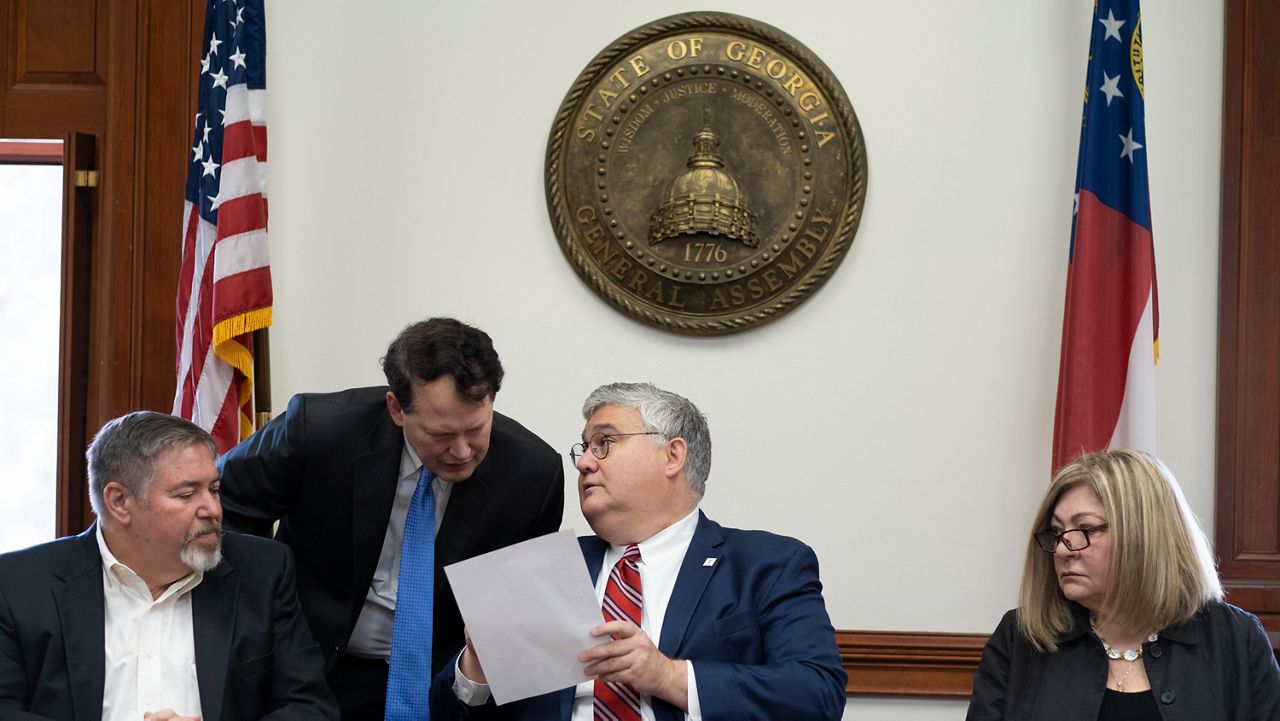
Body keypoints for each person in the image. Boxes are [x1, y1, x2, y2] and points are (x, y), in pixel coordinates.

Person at [431, 382, 847, 721]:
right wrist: (477, 669)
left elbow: (817, 694)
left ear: (673, 455)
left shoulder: (766, 564)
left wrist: (667, 676)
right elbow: (446, 714)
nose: (584, 463)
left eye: (605, 442)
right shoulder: (543, 568)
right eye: (585, 447)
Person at [217, 317, 565, 719]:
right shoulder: (319, 430)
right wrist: (264, 613)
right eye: (440, 434)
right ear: (396, 408)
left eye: (475, 429)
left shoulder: (532, 474)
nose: (463, 451)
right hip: (311, 670)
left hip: (445, 684)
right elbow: (222, 509)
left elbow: (523, 612)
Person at [0, 411, 338, 720]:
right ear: (119, 502)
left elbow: (310, 706)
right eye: (186, 494)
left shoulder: (262, 572)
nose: (213, 510)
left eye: (214, 489)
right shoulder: (20, 586)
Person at [967, 448, 1280, 721]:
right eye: (1057, 532)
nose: (1062, 549)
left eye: (1085, 528)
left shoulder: (1235, 638)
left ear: (1145, 534)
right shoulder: (1020, 638)